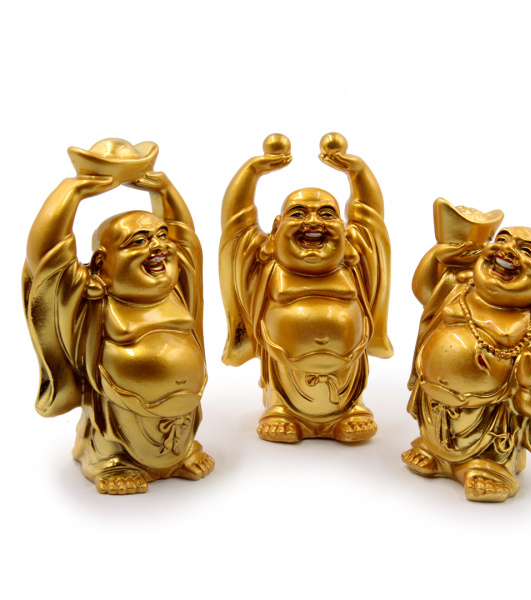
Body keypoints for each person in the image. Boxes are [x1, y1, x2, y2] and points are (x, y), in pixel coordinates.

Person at [23, 139, 213, 494]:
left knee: (179, 438)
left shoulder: (177, 289)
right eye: (138, 241)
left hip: (182, 410)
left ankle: (179, 454)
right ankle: (110, 462)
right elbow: (46, 256)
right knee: (112, 437)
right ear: (100, 264)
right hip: (117, 410)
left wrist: (164, 189)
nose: (158, 247)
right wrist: (74, 190)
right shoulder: (92, 298)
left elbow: (185, 238)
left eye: (160, 237)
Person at [219, 133, 393, 443]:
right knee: (281, 401)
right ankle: (280, 410)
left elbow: (370, 217)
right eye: (298, 213)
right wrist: (253, 170)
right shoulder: (267, 266)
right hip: (285, 371)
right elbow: (237, 222)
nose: (313, 222)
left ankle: (350, 409)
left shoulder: (354, 265)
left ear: (345, 232)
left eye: (327, 214)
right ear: (276, 229)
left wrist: (358, 172)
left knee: (349, 401)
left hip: (347, 368)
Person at [403, 199, 531, 502]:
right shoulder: (459, 287)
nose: (507, 250)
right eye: (501, 240)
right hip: (434, 398)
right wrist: (438, 255)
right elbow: (424, 288)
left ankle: (488, 468)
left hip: (492, 412)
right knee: (434, 433)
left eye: (527, 251)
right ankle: (437, 455)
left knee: (491, 444)